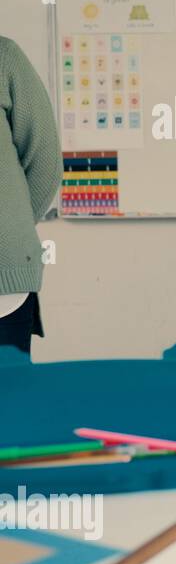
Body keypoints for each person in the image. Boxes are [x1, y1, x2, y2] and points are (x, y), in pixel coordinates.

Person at [0, 36, 61, 355]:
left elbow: (44, 162)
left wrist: (11, 224)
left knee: (9, 401)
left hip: (3, 288)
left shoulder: (4, 56)